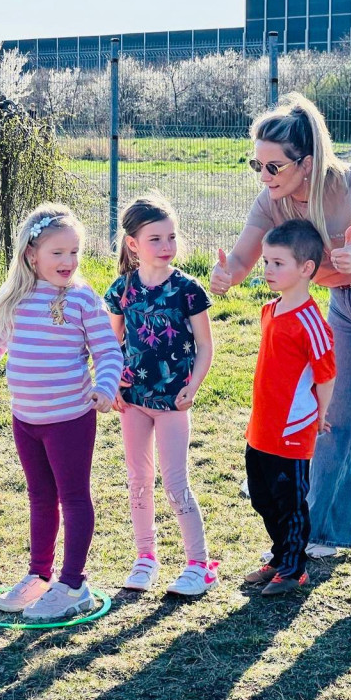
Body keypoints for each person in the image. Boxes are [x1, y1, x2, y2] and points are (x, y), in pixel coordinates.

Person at [210, 93, 351, 588]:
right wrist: (225, 276)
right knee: (335, 420)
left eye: (273, 165)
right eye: (257, 163)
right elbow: (242, 259)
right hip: (347, 310)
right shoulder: (271, 200)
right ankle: (326, 533)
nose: (264, 174)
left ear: (307, 162)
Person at [0, 203, 122, 620]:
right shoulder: (14, 300)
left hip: (70, 419)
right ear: (31, 254)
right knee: (41, 498)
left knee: (74, 497)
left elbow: (108, 352)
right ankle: (39, 575)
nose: (69, 261)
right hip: (26, 420)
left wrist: (104, 387)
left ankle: (73, 584)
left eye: (74, 251)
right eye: (58, 252)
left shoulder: (81, 300)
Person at [104, 193, 219, 596]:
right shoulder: (122, 289)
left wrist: (193, 385)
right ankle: (145, 558)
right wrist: (112, 381)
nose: (166, 246)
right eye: (155, 239)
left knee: (174, 482)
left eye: (171, 237)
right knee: (138, 479)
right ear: (133, 244)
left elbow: (205, 345)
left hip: (173, 402)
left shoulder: (188, 290)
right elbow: (108, 342)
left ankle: (199, 565)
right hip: (132, 400)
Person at [243, 219, 336, 596]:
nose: (268, 270)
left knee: (291, 502)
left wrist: (321, 416)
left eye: (278, 263)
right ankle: (281, 555)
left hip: (292, 430)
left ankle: (295, 569)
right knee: (262, 498)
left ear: (306, 269)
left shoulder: (311, 321)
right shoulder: (270, 310)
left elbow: (326, 374)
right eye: (266, 262)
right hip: (261, 426)